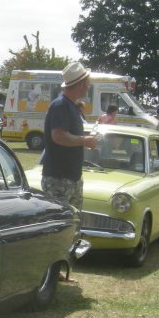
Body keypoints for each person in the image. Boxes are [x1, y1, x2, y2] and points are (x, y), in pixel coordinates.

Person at [41, 61, 97, 210]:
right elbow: (58, 136)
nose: (89, 86)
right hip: (58, 180)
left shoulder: (71, 106)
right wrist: (85, 141)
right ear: (80, 85)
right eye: (87, 83)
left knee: (73, 226)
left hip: (72, 178)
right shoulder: (61, 105)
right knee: (59, 228)